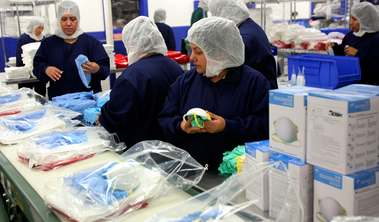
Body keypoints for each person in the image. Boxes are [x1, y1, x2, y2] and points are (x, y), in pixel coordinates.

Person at [158, 17, 270, 169]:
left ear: (220, 53)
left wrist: (228, 126)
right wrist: (181, 127)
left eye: (198, 52)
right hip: (192, 172)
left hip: (234, 175)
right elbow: (165, 119)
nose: (192, 58)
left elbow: (265, 126)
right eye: (191, 50)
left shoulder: (254, 83)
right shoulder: (185, 82)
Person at [97, 16, 183, 149]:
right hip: (174, 147)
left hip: (142, 151)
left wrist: (104, 116)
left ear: (131, 44)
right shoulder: (175, 67)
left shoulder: (131, 76)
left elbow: (117, 118)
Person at [33, 0, 109, 99]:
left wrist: (97, 68)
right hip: (60, 102)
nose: (68, 23)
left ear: (78, 20)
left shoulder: (91, 43)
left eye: (72, 19)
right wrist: (45, 69)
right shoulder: (48, 44)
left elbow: (105, 68)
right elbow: (37, 66)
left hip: (88, 101)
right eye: (64, 19)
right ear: (58, 20)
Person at [208, 0, 278, 89]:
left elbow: (236, 76)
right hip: (261, 89)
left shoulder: (242, 38)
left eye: (214, 14)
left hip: (257, 93)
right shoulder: (249, 26)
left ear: (223, 14)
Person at [326, 2, 379, 85]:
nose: (350, 22)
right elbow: (343, 51)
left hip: (367, 86)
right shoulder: (350, 35)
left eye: (354, 19)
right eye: (351, 18)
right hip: (348, 83)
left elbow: (378, 66)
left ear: (366, 21)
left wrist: (358, 54)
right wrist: (334, 47)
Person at [16, 17, 47, 96]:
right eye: (38, 28)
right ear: (31, 27)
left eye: (42, 28)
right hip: (26, 75)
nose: (40, 31)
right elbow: (21, 59)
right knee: (26, 96)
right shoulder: (23, 39)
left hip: (39, 74)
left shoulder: (42, 39)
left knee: (40, 96)